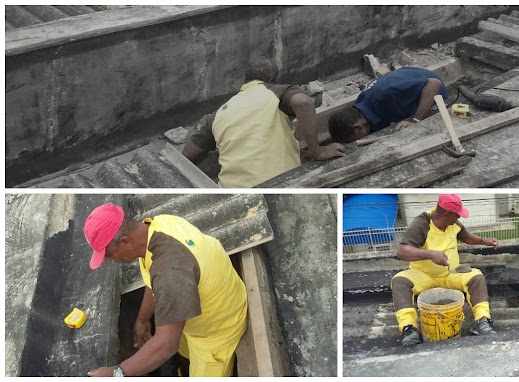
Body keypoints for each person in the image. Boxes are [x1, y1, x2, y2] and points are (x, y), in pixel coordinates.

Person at [84, 203, 247, 377]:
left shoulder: (170, 271)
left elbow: (167, 345)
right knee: (184, 352)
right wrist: (143, 319)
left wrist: (116, 373)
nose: (110, 260)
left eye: (108, 254)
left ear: (124, 241)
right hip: (201, 310)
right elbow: (154, 280)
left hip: (216, 330)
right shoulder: (159, 225)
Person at [182, 57, 345, 188]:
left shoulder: (219, 113)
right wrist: (317, 151)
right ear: (273, 79)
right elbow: (303, 102)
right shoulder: (275, 91)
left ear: (245, 82)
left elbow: (187, 155)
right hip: (278, 183)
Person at [391, 194, 499, 347]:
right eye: (456, 215)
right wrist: (430, 254)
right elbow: (402, 251)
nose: (458, 218)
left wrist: (483, 241)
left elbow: (466, 237)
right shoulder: (421, 224)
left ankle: (482, 322)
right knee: (399, 280)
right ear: (446, 214)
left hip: (451, 274)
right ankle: (409, 329)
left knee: (476, 276)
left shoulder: (453, 224)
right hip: (424, 275)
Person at [328, 67, 447, 143]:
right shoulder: (361, 107)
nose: (357, 141)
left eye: (353, 139)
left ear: (358, 127)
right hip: (405, 84)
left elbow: (433, 84)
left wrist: (416, 120)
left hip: (430, 86)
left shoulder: (385, 95)